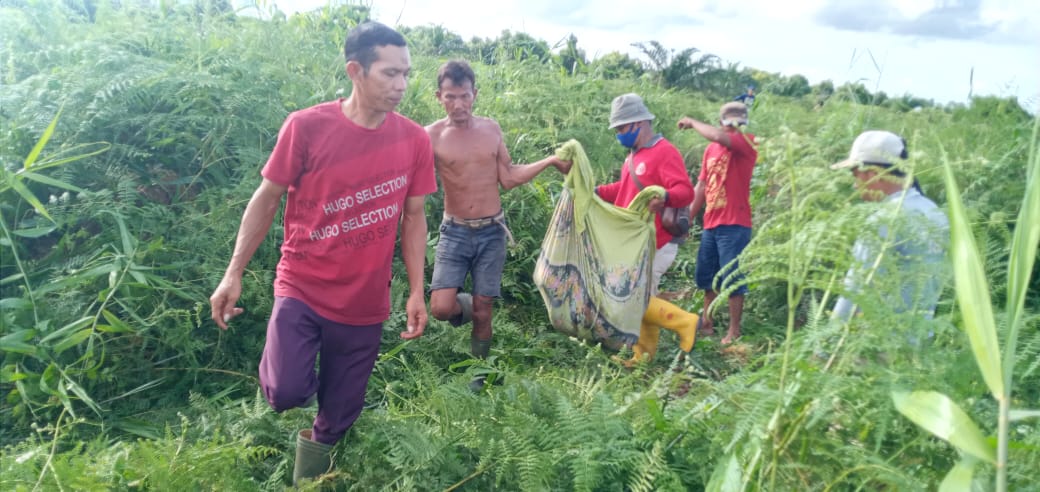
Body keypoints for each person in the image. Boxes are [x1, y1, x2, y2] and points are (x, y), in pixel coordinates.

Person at [208, 22, 436, 485]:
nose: (401, 86)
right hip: (303, 286)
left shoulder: (414, 140)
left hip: (366, 302)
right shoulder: (307, 127)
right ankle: (307, 388)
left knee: (339, 417)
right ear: (356, 70)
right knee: (284, 390)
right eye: (390, 74)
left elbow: (414, 218)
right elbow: (267, 197)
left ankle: (308, 479)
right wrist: (233, 274)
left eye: (406, 74)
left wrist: (417, 291)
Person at [425, 59, 570, 391]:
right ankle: (466, 303)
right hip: (454, 232)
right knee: (441, 308)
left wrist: (548, 161)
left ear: (474, 94)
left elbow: (507, 177)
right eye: (450, 97)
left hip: (492, 232)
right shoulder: (430, 136)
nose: (458, 105)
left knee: (484, 311)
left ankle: (480, 371)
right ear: (439, 96)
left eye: (464, 96)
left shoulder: (491, 129)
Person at [597, 93, 698, 365]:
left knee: (637, 300)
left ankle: (685, 322)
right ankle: (642, 357)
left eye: (621, 128)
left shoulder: (663, 151)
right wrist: (595, 192)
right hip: (637, 242)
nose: (619, 134)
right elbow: (624, 190)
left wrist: (664, 196)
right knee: (642, 299)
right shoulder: (634, 156)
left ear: (638, 123)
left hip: (658, 240)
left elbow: (685, 191)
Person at [829, 130, 948, 326]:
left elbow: (857, 287)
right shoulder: (933, 212)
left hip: (876, 344)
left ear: (873, 174)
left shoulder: (883, 220)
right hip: (919, 339)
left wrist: (824, 349)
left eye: (855, 174)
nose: (854, 185)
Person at [679, 102, 758, 345]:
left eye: (738, 121)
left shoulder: (747, 142)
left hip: (735, 224)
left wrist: (692, 122)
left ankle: (734, 330)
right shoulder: (711, 150)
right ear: (722, 120)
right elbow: (701, 186)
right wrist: (688, 218)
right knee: (707, 277)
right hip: (711, 224)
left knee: (732, 278)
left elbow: (717, 136)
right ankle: (707, 322)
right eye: (730, 121)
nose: (734, 125)